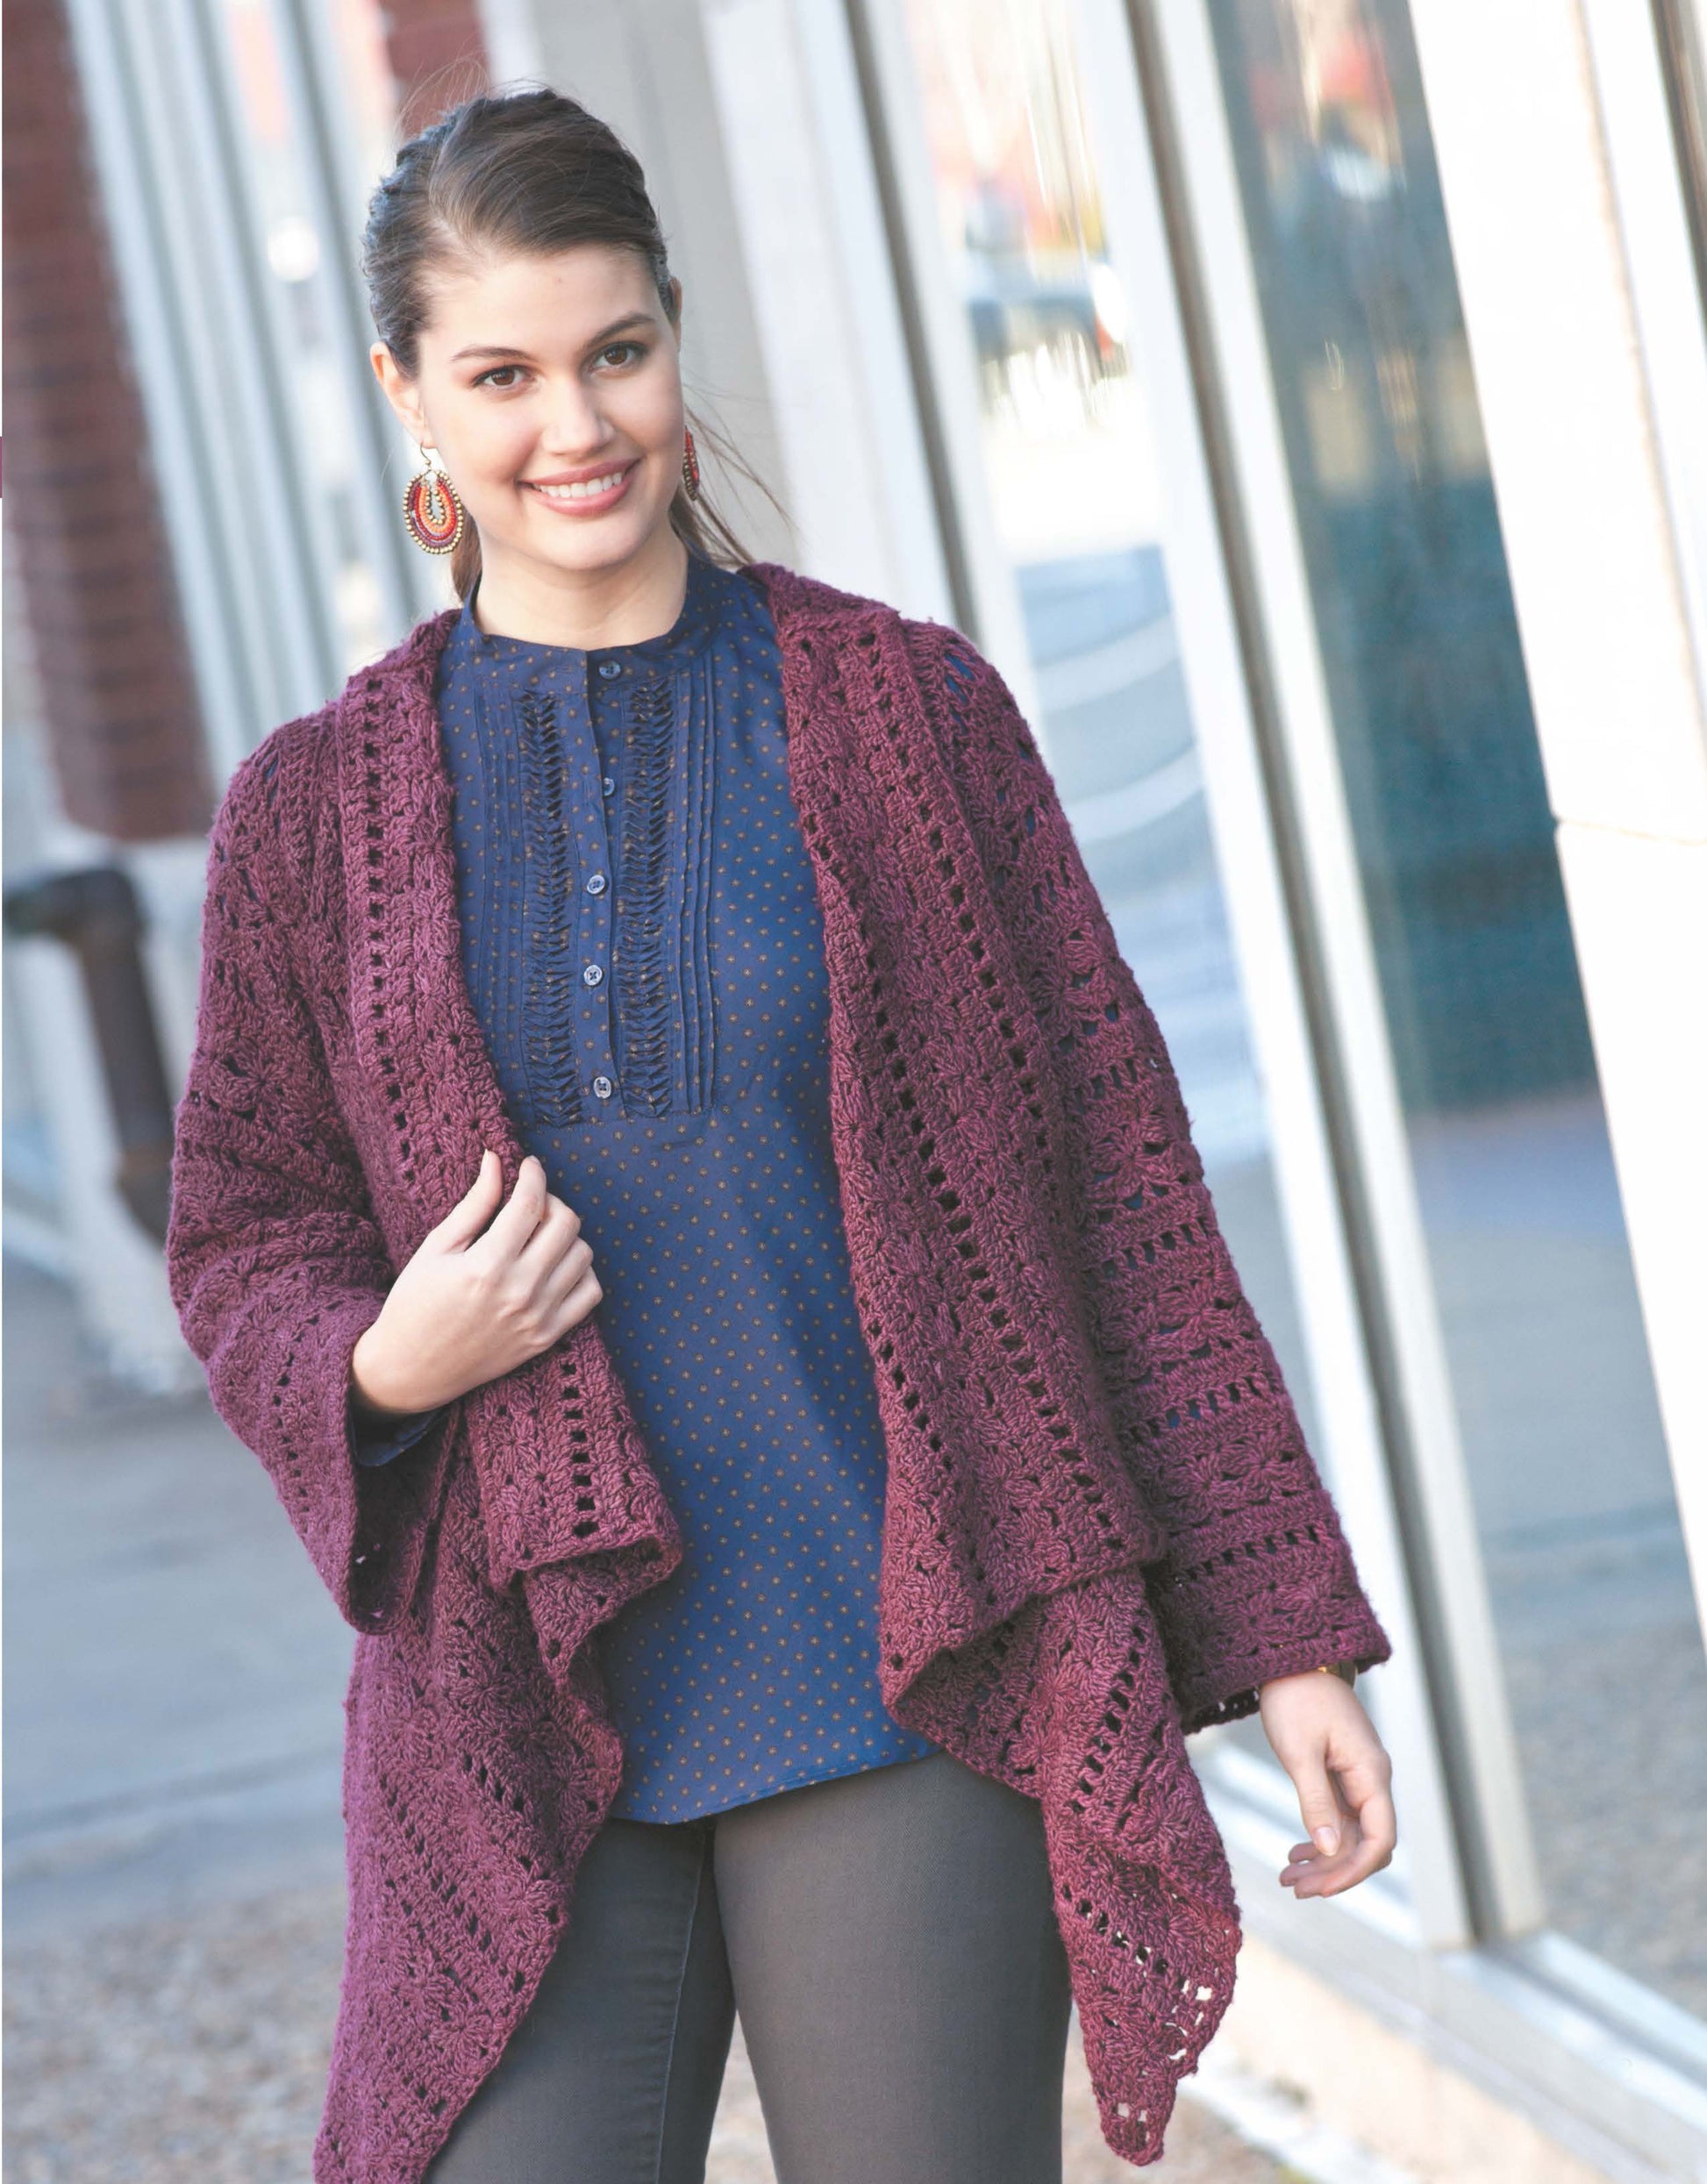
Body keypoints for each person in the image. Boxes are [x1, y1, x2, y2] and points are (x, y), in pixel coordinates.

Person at [164, 86, 1396, 2184]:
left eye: (616, 352)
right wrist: (387, 1362)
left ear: (670, 333)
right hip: (524, 1698)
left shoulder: (903, 718)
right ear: (410, 400)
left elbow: (1121, 1194)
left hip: (901, 1660)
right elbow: (242, 1233)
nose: (578, 425)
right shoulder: (315, 813)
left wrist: (1284, 1632)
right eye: (505, 375)